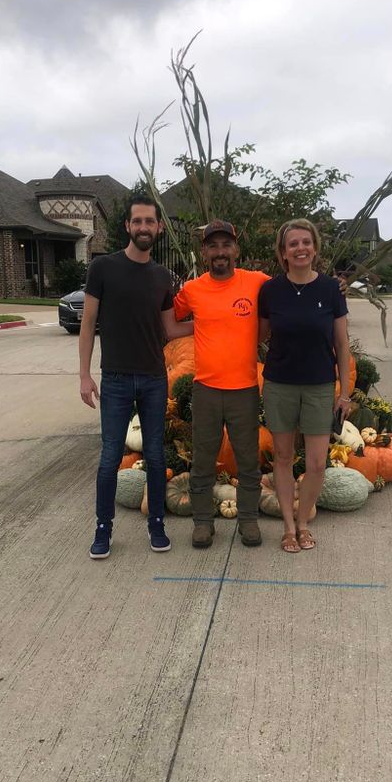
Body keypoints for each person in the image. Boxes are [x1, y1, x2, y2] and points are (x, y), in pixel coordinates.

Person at [79, 195, 193, 560]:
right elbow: (87, 323)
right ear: (127, 227)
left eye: (150, 222)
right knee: (110, 455)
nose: (144, 227)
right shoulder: (103, 269)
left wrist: (212, 320)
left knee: (156, 456)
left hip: (153, 379)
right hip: (113, 378)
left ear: (159, 228)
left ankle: (156, 524)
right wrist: (84, 374)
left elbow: (170, 329)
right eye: (137, 221)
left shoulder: (162, 277)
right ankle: (103, 528)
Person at [173, 221, 270, 549]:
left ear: (236, 250)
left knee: (247, 459)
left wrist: (328, 289)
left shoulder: (256, 283)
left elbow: (291, 292)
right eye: (212, 246)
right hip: (207, 390)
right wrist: (197, 328)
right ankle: (203, 522)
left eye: (226, 245)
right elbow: (169, 318)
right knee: (202, 459)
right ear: (204, 252)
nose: (220, 252)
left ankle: (248, 521)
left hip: (244, 390)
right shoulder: (193, 290)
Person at [258, 218, 350, 553]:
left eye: (305, 242)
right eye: (293, 244)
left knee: (315, 463)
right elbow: (258, 335)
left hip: (319, 385)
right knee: (282, 457)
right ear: (283, 252)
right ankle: (287, 527)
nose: (300, 249)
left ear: (315, 248)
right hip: (279, 384)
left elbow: (341, 345)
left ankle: (303, 523)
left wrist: (345, 392)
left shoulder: (330, 290)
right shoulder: (270, 291)